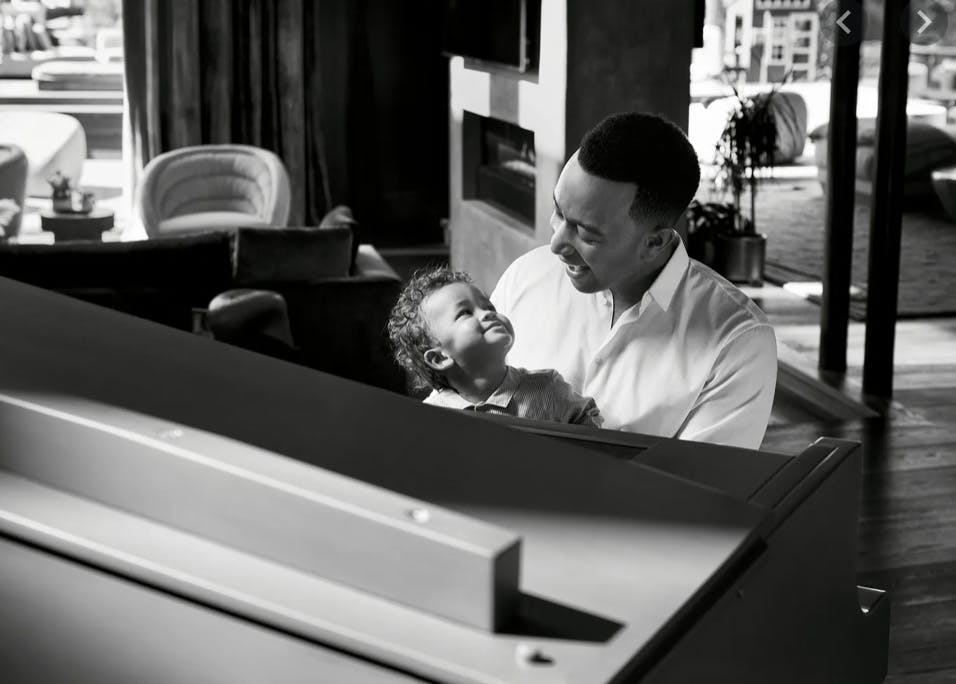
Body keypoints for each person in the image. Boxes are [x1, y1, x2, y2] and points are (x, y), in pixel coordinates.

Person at [491, 112, 777, 449]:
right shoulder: (527, 274)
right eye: (559, 212)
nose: (556, 244)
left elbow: (700, 492)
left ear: (654, 242)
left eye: (586, 233)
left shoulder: (737, 342)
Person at [388, 266, 602, 427]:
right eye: (465, 313)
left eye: (488, 306)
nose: (489, 313)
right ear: (440, 358)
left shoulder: (547, 388)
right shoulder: (428, 419)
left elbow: (590, 426)